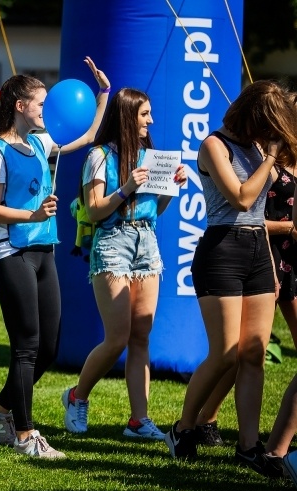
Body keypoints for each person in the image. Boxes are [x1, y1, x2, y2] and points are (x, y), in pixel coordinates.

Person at [0, 58, 110, 459]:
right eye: (40, 102)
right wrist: (31, 215)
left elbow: (85, 135)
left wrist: (102, 94)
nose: (47, 109)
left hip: (42, 251)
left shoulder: (39, 141)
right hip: (9, 253)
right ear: (19, 104)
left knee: (48, 347)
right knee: (25, 347)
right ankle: (25, 434)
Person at [164, 80, 297, 478]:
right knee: (226, 351)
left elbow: (258, 212)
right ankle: (184, 428)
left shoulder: (259, 147)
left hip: (259, 251)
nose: (272, 136)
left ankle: (248, 446)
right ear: (254, 115)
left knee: (254, 353)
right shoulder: (214, 145)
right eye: (269, 125)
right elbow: (241, 197)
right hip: (221, 249)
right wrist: (269, 161)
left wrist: (272, 272)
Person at [61, 88, 187, 440]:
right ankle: (76, 396)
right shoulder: (99, 156)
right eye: (145, 114)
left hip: (147, 241)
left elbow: (156, 209)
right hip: (113, 241)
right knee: (117, 337)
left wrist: (169, 189)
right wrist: (127, 187)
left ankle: (138, 420)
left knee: (141, 336)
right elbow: (96, 209)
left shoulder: (150, 155)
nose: (151, 120)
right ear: (128, 115)